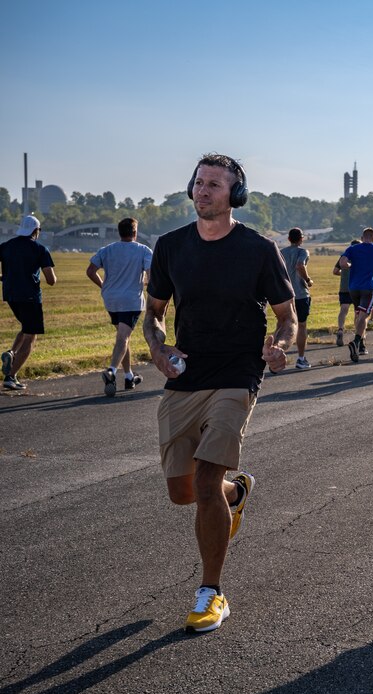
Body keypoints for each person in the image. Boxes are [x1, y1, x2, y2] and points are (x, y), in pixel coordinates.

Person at [143, 153, 295, 633]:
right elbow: (154, 314)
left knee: (206, 482)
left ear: (236, 195)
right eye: (199, 183)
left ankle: (211, 593)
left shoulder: (257, 248)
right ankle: (238, 491)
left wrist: (281, 348)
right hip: (186, 375)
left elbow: (286, 317)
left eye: (214, 184)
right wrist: (156, 346)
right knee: (181, 492)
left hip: (237, 373)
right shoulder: (169, 247)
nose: (203, 191)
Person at [86, 217, 152, 395]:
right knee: (123, 338)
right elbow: (150, 274)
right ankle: (112, 371)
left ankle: (129, 376)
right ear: (135, 233)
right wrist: (147, 283)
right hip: (131, 300)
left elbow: (90, 271)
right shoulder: (143, 250)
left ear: (119, 232)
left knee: (123, 337)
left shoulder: (107, 249)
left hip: (111, 299)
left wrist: (103, 285)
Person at [0, 215, 56, 391]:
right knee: (32, 335)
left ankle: (11, 353)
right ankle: (11, 376)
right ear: (35, 231)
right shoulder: (40, 249)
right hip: (30, 296)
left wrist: (5, 277)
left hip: (10, 295)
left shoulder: (6, 246)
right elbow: (51, 280)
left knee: (26, 327)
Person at [337, 227, 373, 362]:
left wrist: (350, 265)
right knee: (364, 317)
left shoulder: (353, 249)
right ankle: (357, 341)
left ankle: (360, 345)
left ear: (362, 236)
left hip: (353, 287)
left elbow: (342, 263)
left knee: (358, 314)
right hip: (369, 288)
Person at [280, 227, 313, 369]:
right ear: (301, 239)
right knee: (301, 325)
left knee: (282, 325)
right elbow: (300, 265)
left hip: (284, 294)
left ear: (288, 239)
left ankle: (277, 354)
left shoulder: (281, 252)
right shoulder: (303, 252)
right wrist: (308, 279)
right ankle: (300, 358)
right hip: (299, 293)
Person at [332, 238, 360, 346]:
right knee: (357, 312)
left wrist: (344, 274)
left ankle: (340, 329)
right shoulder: (360, 258)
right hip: (357, 287)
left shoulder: (343, 257)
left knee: (343, 309)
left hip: (344, 287)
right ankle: (358, 334)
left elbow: (335, 271)